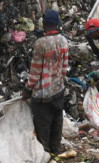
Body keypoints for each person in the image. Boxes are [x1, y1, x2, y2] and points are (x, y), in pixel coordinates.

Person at [23, 9, 69, 154]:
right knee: (57, 120)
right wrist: (60, 82)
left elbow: (35, 71)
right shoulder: (63, 40)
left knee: (43, 124)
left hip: (42, 94)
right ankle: (55, 148)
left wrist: (27, 89)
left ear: (44, 24)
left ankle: (45, 153)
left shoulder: (40, 44)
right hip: (58, 90)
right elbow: (64, 68)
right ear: (57, 24)